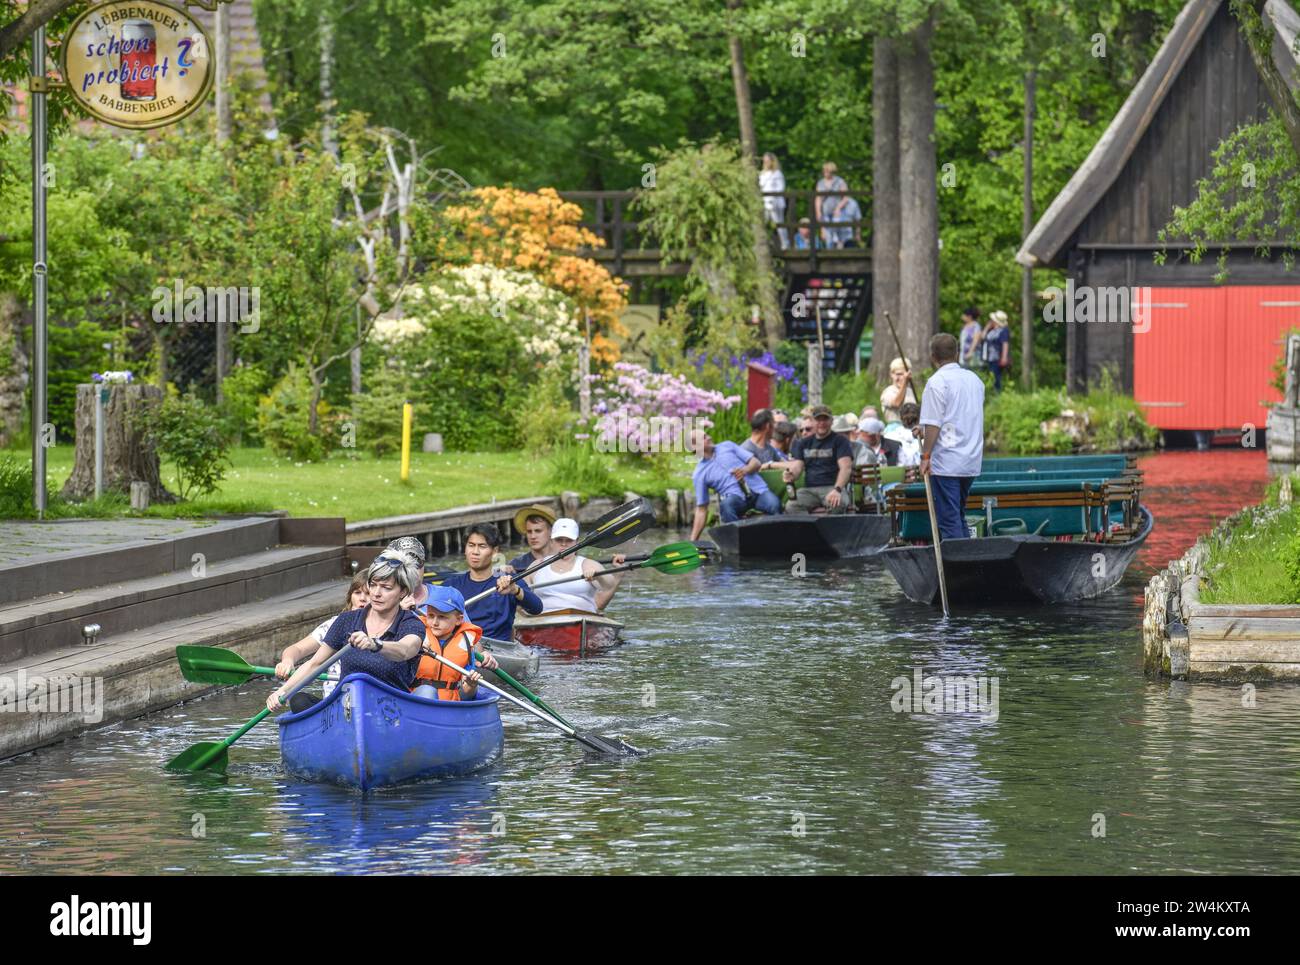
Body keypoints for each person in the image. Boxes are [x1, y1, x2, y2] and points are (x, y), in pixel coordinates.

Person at [267, 550, 427, 714]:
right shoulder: (347, 620)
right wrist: (283, 691)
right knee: (299, 700)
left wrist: (376, 645)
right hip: (346, 708)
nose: (377, 593)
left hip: (392, 710)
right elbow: (315, 664)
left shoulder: (411, 624)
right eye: (373, 585)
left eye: (386, 588)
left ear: (403, 592)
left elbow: (406, 650)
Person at [919, 332, 985, 541]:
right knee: (958, 514)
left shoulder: (937, 382)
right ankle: (968, 559)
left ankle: (958, 566)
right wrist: (922, 430)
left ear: (933, 356)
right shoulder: (975, 380)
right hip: (971, 458)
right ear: (957, 353)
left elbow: (934, 423)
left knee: (948, 518)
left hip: (946, 460)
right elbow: (957, 417)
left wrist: (926, 456)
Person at [440, 523, 544, 643]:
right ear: (465, 549)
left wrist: (516, 590)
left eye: (482, 546)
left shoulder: (509, 582)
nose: (475, 552)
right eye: (471, 545)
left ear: (494, 551)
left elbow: (537, 608)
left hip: (499, 650)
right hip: (462, 646)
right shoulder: (451, 585)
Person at [274, 573, 368, 696]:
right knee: (299, 700)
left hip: (368, 696)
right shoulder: (335, 624)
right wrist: (288, 661)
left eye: (368, 594)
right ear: (350, 596)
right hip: (334, 699)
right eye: (357, 593)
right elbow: (298, 649)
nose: (362, 598)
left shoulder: (386, 626)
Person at [687, 429, 781, 539]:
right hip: (736, 498)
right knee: (726, 506)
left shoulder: (727, 446)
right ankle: (738, 541)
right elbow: (702, 509)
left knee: (774, 504)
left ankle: (778, 539)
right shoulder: (699, 474)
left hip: (758, 491)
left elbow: (756, 463)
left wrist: (745, 470)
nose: (709, 437)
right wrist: (693, 540)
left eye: (707, 435)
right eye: (703, 438)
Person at [528, 518, 627, 612]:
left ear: (577, 542)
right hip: (543, 620)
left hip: (581, 619)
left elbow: (608, 586)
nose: (563, 544)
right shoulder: (537, 566)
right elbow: (518, 593)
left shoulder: (588, 565)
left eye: (569, 540)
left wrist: (599, 576)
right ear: (551, 541)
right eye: (559, 540)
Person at [410, 585, 485, 702]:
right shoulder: (416, 632)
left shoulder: (465, 641)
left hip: (450, 705)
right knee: (427, 691)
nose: (434, 622)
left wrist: (471, 686)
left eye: (442, 617)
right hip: (414, 699)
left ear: (459, 619)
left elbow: (467, 696)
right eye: (430, 615)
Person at [784, 404, 853, 514]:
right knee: (792, 506)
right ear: (813, 421)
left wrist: (837, 489)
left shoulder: (840, 441)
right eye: (818, 419)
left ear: (831, 421)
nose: (821, 423)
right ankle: (809, 529)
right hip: (809, 490)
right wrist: (791, 474)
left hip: (832, 487)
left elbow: (846, 468)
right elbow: (798, 467)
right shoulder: (804, 443)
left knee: (837, 503)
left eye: (825, 419)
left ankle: (830, 531)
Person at [508, 504, 555, 572]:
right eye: (529, 531)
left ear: (551, 531)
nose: (533, 536)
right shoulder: (515, 566)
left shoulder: (565, 559)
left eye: (538, 531)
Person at [815, 162, 849, 248]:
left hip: (838, 212)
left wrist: (838, 208)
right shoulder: (820, 183)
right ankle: (829, 251)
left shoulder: (840, 181)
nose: (825, 172)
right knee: (828, 235)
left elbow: (845, 197)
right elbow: (818, 198)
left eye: (827, 170)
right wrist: (818, 211)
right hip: (826, 211)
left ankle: (839, 252)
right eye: (824, 170)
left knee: (838, 233)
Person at [760, 153, 789, 248]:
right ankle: (764, 244)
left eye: (768, 161)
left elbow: (781, 188)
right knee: (763, 223)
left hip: (775, 202)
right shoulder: (762, 174)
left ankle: (785, 243)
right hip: (764, 202)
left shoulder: (777, 174)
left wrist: (773, 196)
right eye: (764, 161)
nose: (766, 163)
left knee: (778, 223)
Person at [979, 309, 1012, 392]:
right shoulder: (992, 330)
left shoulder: (1004, 330)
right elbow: (982, 337)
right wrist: (987, 327)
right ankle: (994, 392)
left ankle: (997, 393)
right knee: (992, 376)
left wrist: (1004, 357)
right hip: (989, 357)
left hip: (997, 357)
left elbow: (1005, 344)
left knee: (996, 377)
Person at [884, 402, 923, 467]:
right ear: (919, 417)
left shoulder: (889, 435)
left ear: (901, 418)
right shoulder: (927, 436)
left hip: (900, 472)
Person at [880, 357, 918, 424]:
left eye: (904, 375)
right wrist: (905, 382)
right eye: (898, 374)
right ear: (891, 374)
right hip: (894, 430)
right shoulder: (888, 392)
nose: (902, 378)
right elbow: (896, 403)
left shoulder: (910, 391)